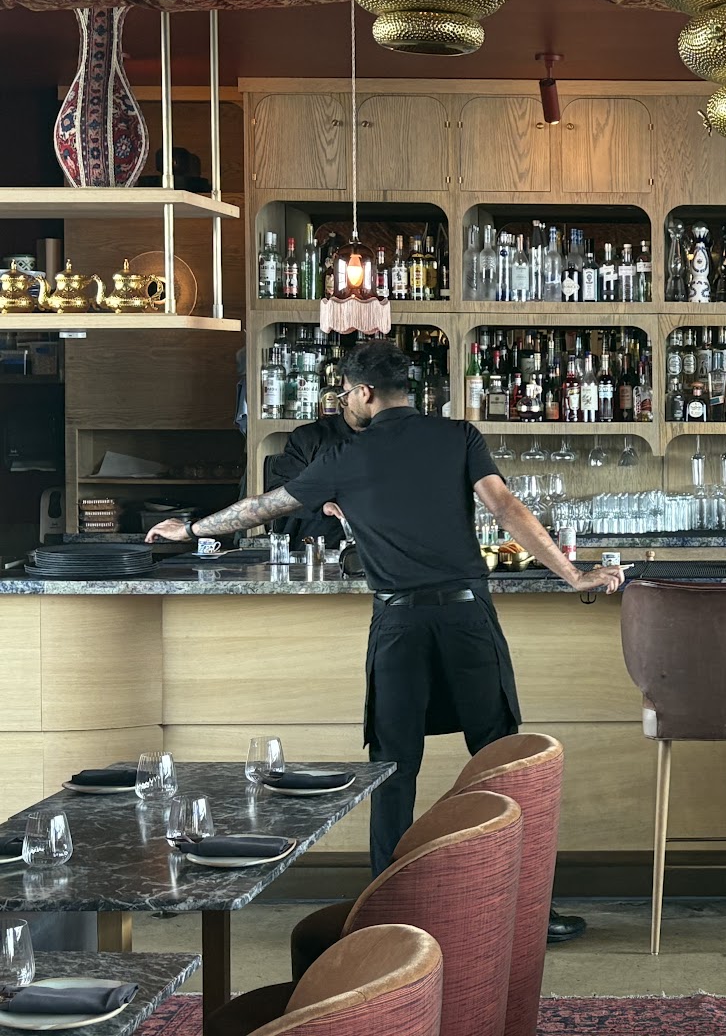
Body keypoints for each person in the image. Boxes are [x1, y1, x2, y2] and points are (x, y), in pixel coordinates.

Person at [147, 339, 622, 944]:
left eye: (346, 392)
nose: (345, 402)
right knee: (499, 763)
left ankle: (387, 915)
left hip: (399, 626)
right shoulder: (459, 436)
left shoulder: (344, 455)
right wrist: (574, 575)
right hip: (469, 619)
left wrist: (189, 529)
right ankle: (529, 913)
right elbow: (507, 509)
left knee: (393, 771)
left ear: (365, 392)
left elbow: (262, 509)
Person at [264, 407, 360, 548]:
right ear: (344, 398)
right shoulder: (310, 436)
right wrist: (321, 505)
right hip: (318, 547)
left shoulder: (389, 437)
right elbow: (278, 491)